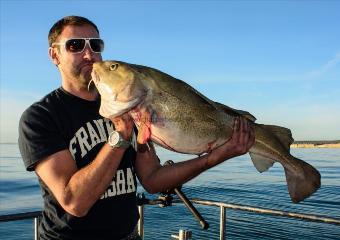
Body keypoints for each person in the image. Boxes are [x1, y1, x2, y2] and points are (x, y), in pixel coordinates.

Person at [18, 16, 255, 240]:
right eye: (76, 45)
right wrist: (120, 135)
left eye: (96, 45)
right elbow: (74, 202)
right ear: (54, 55)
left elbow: (152, 179)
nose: (89, 54)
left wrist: (214, 158)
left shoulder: (127, 107)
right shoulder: (40, 117)